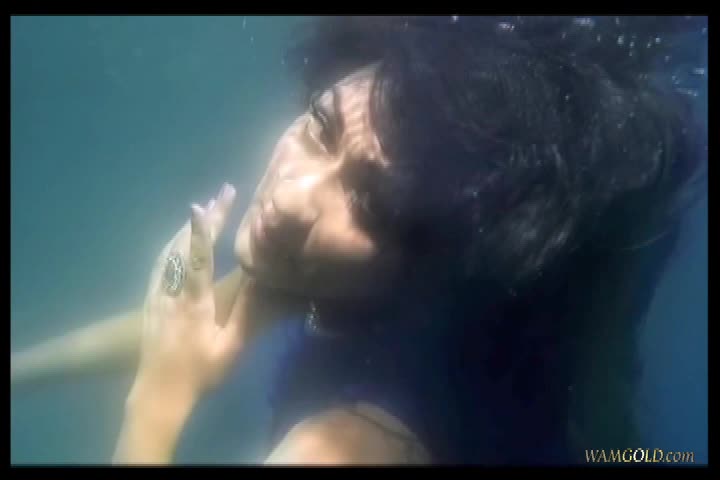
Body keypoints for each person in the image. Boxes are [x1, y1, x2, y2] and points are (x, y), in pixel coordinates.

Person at [11, 16, 707, 464]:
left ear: (428, 261)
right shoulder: (320, 260)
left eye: (370, 203)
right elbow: (183, 321)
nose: (290, 199)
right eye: (321, 128)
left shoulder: (350, 443)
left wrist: (157, 403)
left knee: (608, 423)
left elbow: (174, 358)